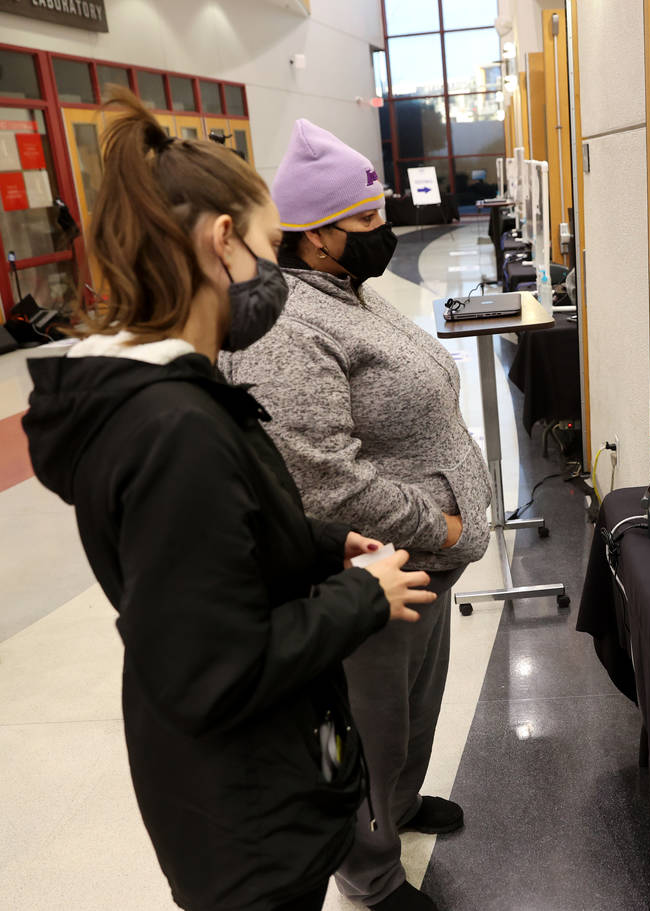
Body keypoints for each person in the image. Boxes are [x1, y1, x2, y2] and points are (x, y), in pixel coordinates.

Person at [20, 90, 437, 911]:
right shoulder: (174, 427)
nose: (277, 273)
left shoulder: (169, 397)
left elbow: (212, 551)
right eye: (271, 247)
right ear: (222, 242)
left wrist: (323, 546)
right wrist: (361, 597)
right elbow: (212, 665)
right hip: (240, 815)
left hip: (244, 784)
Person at [221, 119, 492, 911]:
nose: (385, 230)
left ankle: (400, 810)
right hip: (378, 567)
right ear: (312, 239)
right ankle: (369, 872)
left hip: (426, 569)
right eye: (366, 221)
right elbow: (325, 486)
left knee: (410, 716)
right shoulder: (285, 330)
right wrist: (439, 526)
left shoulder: (348, 292)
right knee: (369, 732)